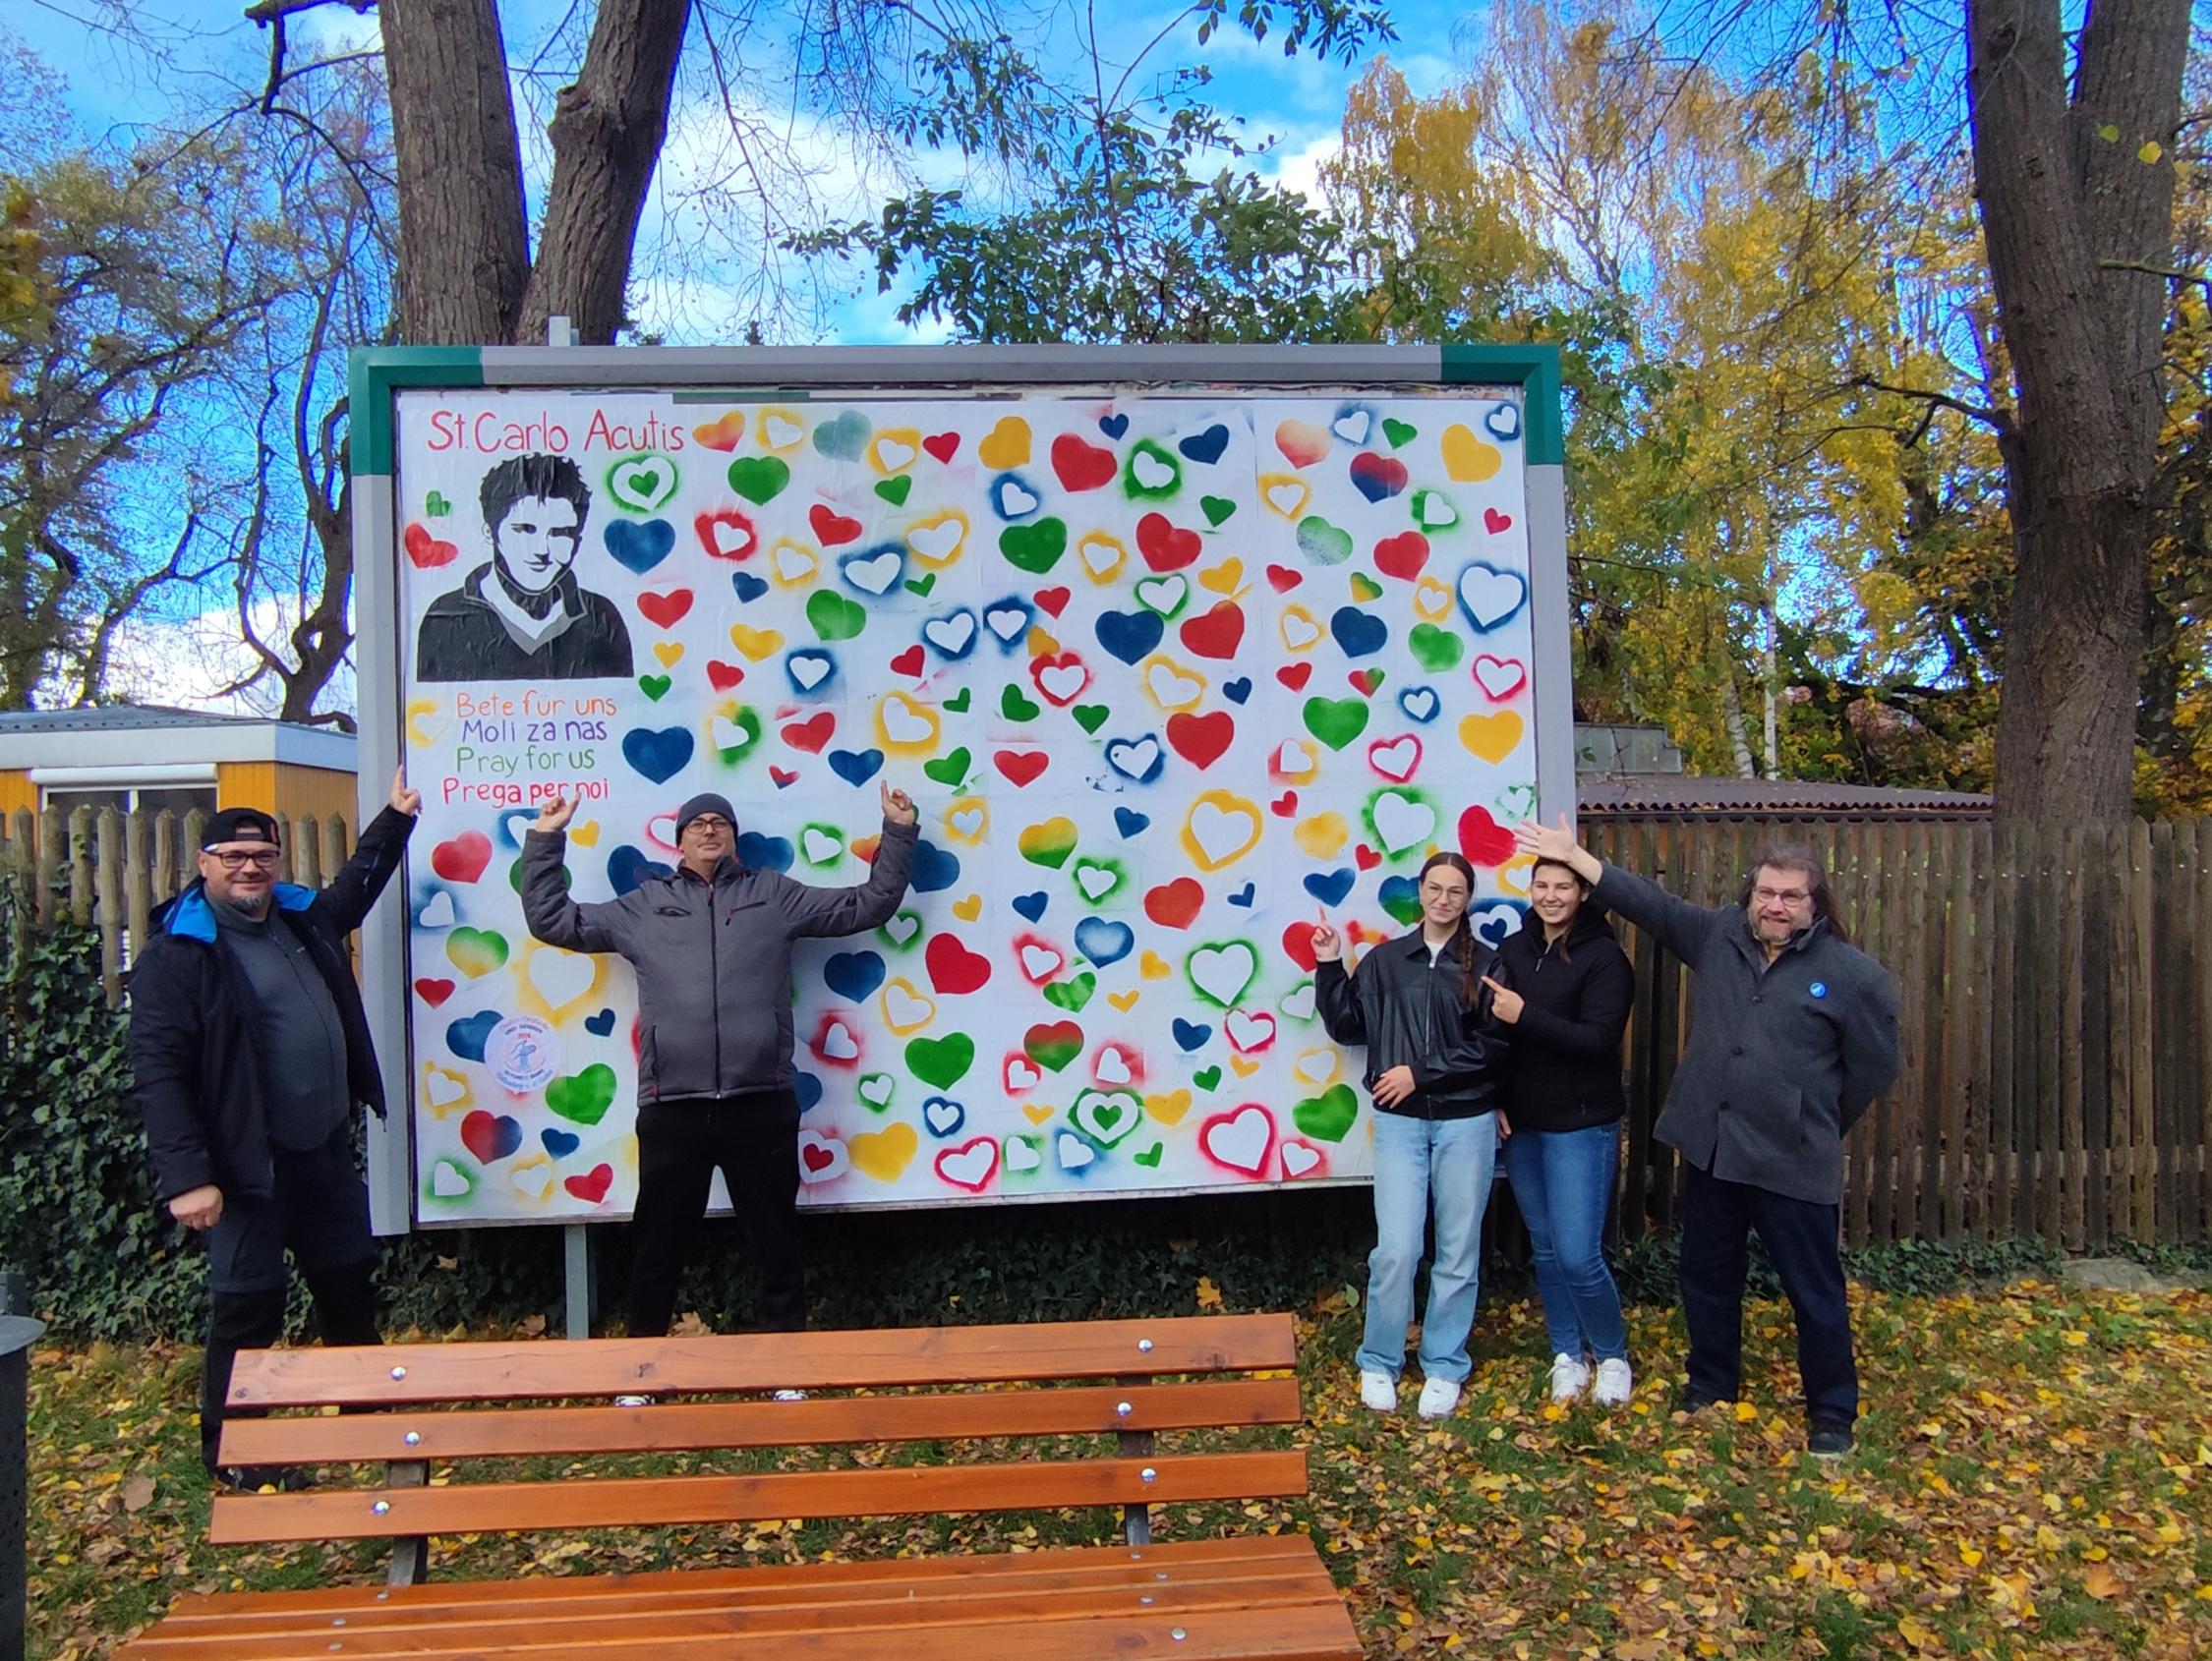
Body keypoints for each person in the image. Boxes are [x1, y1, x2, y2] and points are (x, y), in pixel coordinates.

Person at [1514, 816, 1900, 1457]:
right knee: (1706, 1274)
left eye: (1791, 896)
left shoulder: (1851, 975)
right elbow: (1652, 905)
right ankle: (1711, 1383)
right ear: (1750, 895)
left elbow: (1873, 1067)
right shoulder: (1720, 936)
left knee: (1815, 1293)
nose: (1775, 906)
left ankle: (1832, 1414)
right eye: (1766, 893)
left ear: (1815, 903)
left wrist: (1815, 1118)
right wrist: (1577, 859)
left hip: (1793, 1161)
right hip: (1715, 1150)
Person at [521, 783, 918, 1349]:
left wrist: (898, 830)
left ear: (733, 837)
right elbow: (553, 920)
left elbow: (867, 903)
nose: (710, 829)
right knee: (657, 1247)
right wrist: (545, 838)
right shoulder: (643, 907)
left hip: (760, 1101)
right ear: (679, 839)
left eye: (720, 822)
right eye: (697, 823)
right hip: (672, 1105)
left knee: (776, 1245)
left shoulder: (772, 896)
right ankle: (642, 1368)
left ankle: (786, 1367)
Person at [127, 772, 421, 1489]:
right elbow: (158, 1072)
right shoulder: (179, 954)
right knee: (247, 1306)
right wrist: (187, 1178)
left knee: (348, 1282)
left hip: (318, 1151)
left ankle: (372, 1417)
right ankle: (230, 1453)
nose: (249, 867)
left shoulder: (298, 922)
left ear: (278, 862)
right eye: (233, 856)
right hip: (242, 1167)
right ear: (205, 865)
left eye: (261, 855)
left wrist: (396, 818)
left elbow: (354, 890)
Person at [1313, 851, 1513, 1420]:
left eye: (1455, 890)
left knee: (1457, 1251)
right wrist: (1329, 965)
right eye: (1434, 888)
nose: (1443, 899)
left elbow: (1494, 1047)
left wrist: (1419, 1073)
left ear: (1467, 898)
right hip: (1400, 1126)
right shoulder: (1383, 962)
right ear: (1419, 894)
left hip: (1466, 1123)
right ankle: (1379, 1360)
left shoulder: (1490, 965)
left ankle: (1444, 1362)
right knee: (1397, 1250)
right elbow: (1348, 1025)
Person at [1480, 857, 1637, 1406]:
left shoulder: (1605, 959)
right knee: (1546, 1250)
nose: (1550, 896)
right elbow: (1497, 1035)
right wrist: (1497, 1096)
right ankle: (1567, 1354)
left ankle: (1613, 1356)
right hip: (1524, 1125)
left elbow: (1597, 1042)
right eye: (1541, 885)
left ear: (1582, 893)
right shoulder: (1516, 951)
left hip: (1581, 1124)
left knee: (1577, 1253)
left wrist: (1527, 1015)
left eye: (1562, 886)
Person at [415, 452, 634, 681]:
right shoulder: (446, 616)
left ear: (577, 539)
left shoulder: (601, 617)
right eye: (524, 529)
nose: (542, 549)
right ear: (490, 533)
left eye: (560, 533)